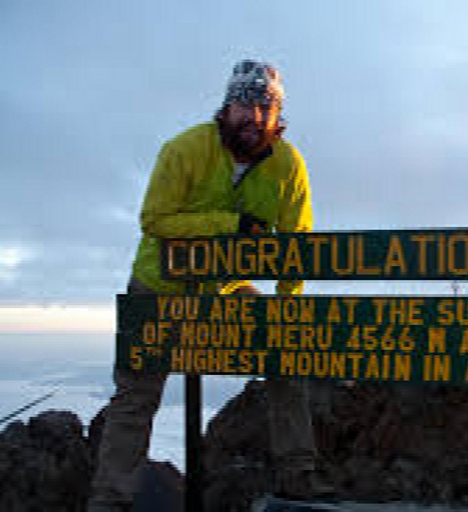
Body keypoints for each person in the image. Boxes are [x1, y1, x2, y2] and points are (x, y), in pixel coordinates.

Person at [88, 60, 330, 512]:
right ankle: (108, 502)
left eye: (265, 106)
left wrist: (287, 308)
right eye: (245, 103)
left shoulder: (288, 165)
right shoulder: (184, 150)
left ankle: (298, 475)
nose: (254, 117)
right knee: (137, 396)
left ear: (277, 114)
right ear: (227, 105)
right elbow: (154, 220)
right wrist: (229, 225)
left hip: (227, 287)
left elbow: (298, 244)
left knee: (286, 356)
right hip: (160, 286)